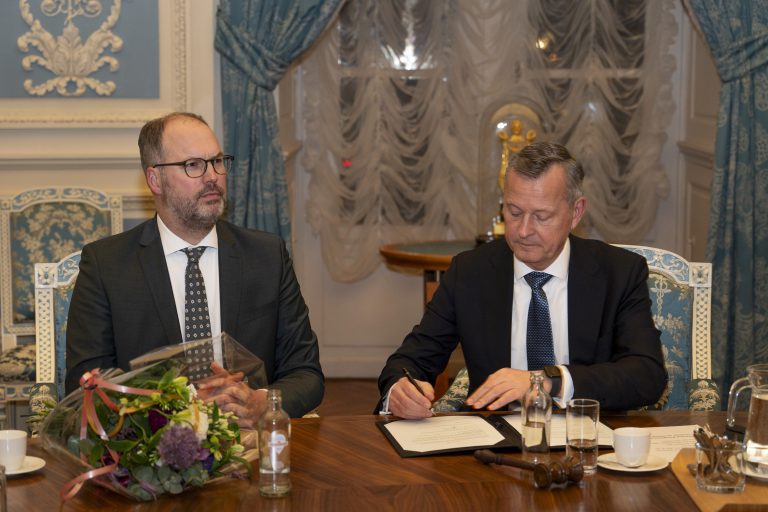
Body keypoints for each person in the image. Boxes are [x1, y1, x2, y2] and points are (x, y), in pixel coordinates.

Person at [378, 141, 666, 419]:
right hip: (495, 447)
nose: (524, 230)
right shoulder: (471, 272)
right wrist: (399, 392)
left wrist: (545, 381)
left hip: (586, 440)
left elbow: (646, 375)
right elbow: (410, 361)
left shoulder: (619, 272)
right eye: (514, 212)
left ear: (576, 212)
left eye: (541, 216)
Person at [65, 112, 323, 422]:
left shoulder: (266, 256)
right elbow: (86, 381)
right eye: (193, 165)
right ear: (154, 179)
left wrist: (263, 402)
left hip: (251, 443)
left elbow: (306, 373)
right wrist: (174, 409)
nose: (212, 176)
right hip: (152, 452)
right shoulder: (107, 266)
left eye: (217, 161)